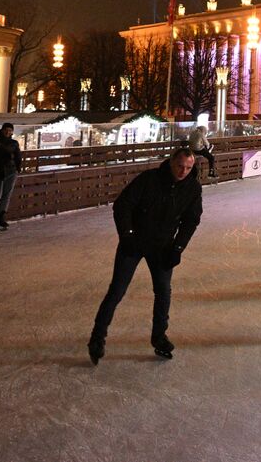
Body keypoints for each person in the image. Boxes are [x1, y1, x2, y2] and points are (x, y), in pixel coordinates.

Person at [88, 146, 203, 364]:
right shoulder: (149, 179)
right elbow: (123, 205)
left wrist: (178, 248)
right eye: (180, 166)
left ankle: (159, 337)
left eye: (188, 168)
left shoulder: (192, 188)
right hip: (134, 243)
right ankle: (97, 338)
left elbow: (191, 220)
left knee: (163, 292)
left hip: (163, 247)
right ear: (171, 162)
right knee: (117, 291)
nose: (183, 171)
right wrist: (127, 235)